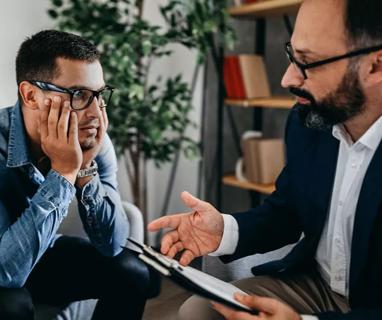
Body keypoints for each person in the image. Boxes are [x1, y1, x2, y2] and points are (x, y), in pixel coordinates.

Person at [148, 0, 382, 319]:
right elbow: (287, 210)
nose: (287, 79)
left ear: (375, 66)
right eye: (292, 55)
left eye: (308, 63)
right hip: (317, 285)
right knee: (198, 312)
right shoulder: (309, 122)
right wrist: (223, 230)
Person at [0, 30, 155, 320]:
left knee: (132, 272)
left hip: (38, 249)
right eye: (79, 95)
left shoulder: (93, 138)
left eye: (99, 95)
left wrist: (84, 169)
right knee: (10, 305)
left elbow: (113, 244)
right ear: (30, 95)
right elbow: (6, 272)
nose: (95, 113)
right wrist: (64, 170)